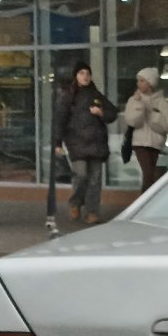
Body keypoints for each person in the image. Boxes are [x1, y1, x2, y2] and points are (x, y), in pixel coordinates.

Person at [52, 62, 117, 224]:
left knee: (95, 179)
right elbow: (59, 120)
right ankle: (75, 203)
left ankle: (92, 211)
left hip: (96, 143)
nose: (85, 76)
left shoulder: (96, 95)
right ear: (76, 76)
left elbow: (112, 113)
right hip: (77, 144)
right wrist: (57, 142)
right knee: (81, 175)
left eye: (87, 73)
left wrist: (101, 112)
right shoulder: (68, 96)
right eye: (81, 73)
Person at [123, 66, 168, 191]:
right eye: (138, 80)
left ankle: (148, 200)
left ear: (150, 83)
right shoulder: (133, 100)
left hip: (155, 143)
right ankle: (144, 201)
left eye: (142, 81)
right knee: (148, 173)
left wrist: (152, 116)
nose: (138, 83)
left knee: (151, 173)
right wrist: (139, 105)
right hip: (139, 143)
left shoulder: (161, 102)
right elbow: (131, 121)